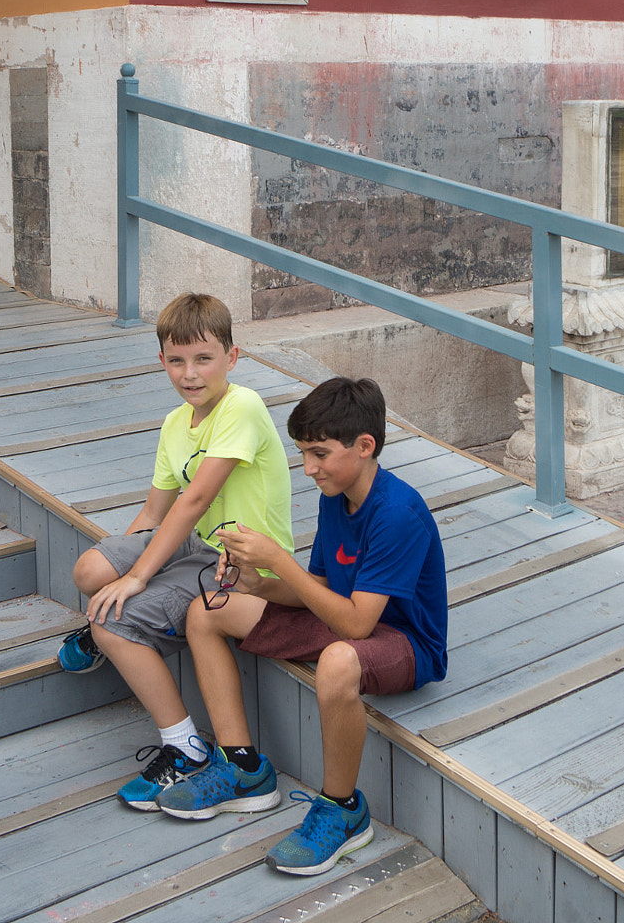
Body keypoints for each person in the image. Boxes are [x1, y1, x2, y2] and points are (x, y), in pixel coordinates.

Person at [156, 375, 448, 878]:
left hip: (404, 642)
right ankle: (243, 767)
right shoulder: (337, 494)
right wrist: (258, 583)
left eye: (318, 454)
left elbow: (357, 625)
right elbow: (316, 586)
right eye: (303, 454)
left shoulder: (396, 512)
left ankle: (342, 810)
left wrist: (278, 562)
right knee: (207, 609)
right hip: (346, 618)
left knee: (337, 663)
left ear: (364, 446)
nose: (308, 468)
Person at [57, 292, 293, 811]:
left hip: (239, 562)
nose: (190, 373)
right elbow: (154, 515)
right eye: (177, 360)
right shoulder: (173, 425)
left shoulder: (243, 407)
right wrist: (118, 569)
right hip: (194, 546)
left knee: (110, 622)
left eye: (204, 358)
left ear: (231, 358)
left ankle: (185, 747)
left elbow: (197, 498)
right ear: (161, 360)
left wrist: (138, 579)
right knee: (88, 570)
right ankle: (117, 621)